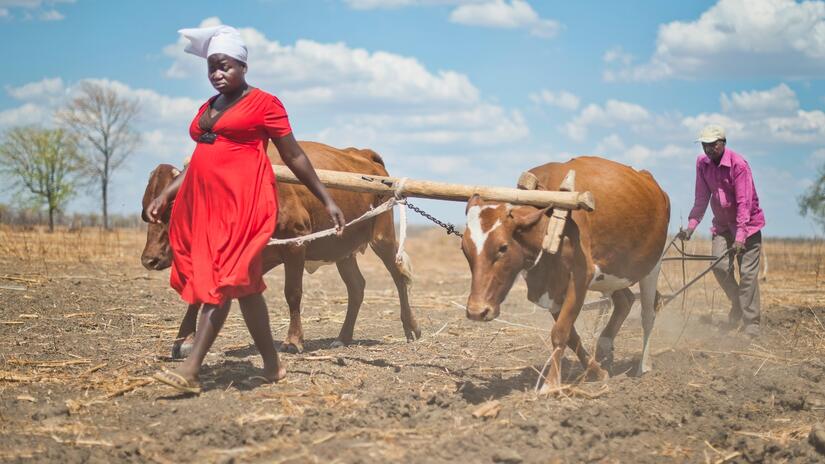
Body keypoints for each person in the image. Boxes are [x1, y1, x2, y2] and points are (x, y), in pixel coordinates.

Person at [146, 25, 346, 394]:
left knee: (221, 282)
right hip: (207, 208)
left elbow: (294, 155)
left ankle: (191, 370)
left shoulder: (265, 104)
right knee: (246, 288)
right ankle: (272, 366)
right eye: (212, 68)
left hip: (244, 205)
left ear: (243, 65)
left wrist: (327, 199)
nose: (217, 74)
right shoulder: (209, 107)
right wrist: (166, 196)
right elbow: (196, 163)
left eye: (225, 66)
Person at [677, 125, 765, 338]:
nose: (708, 149)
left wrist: (741, 236)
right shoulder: (702, 164)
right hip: (723, 227)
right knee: (719, 265)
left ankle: (751, 322)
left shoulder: (739, 165)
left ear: (723, 143)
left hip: (748, 227)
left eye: (712, 145)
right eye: (705, 145)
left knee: (747, 276)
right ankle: (737, 303)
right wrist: (691, 226)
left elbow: (744, 203)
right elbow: (701, 197)